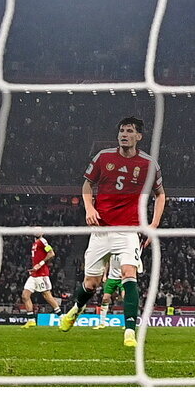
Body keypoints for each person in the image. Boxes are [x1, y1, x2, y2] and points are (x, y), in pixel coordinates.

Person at [58, 117, 166, 348]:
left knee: (129, 274)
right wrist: (89, 208)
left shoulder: (148, 164)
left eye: (129, 131)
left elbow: (161, 194)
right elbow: (87, 184)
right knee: (91, 283)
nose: (123, 134)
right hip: (101, 230)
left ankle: (129, 331)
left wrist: (154, 225)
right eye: (121, 130)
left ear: (139, 136)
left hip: (129, 231)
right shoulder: (103, 157)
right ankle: (76, 309)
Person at [21, 232, 61, 328]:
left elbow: (51, 253)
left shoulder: (42, 241)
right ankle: (31, 320)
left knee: (47, 295)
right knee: (25, 296)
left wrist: (40, 264)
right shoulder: (35, 244)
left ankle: (61, 317)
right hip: (35, 274)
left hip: (42, 274)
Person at [94, 254, 133, 330]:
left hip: (122, 279)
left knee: (125, 298)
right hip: (111, 278)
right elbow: (107, 263)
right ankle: (102, 323)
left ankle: (127, 323)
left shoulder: (124, 252)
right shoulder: (111, 251)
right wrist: (105, 275)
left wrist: (125, 275)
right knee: (105, 299)